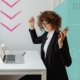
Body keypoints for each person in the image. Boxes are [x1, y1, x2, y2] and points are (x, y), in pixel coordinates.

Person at [19, 11, 72, 80]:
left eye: (47, 23)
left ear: (54, 22)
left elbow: (68, 63)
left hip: (55, 75)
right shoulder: (46, 34)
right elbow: (35, 40)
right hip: (45, 71)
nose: (44, 25)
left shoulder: (60, 37)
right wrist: (32, 26)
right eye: (43, 23)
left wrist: (60, 45)